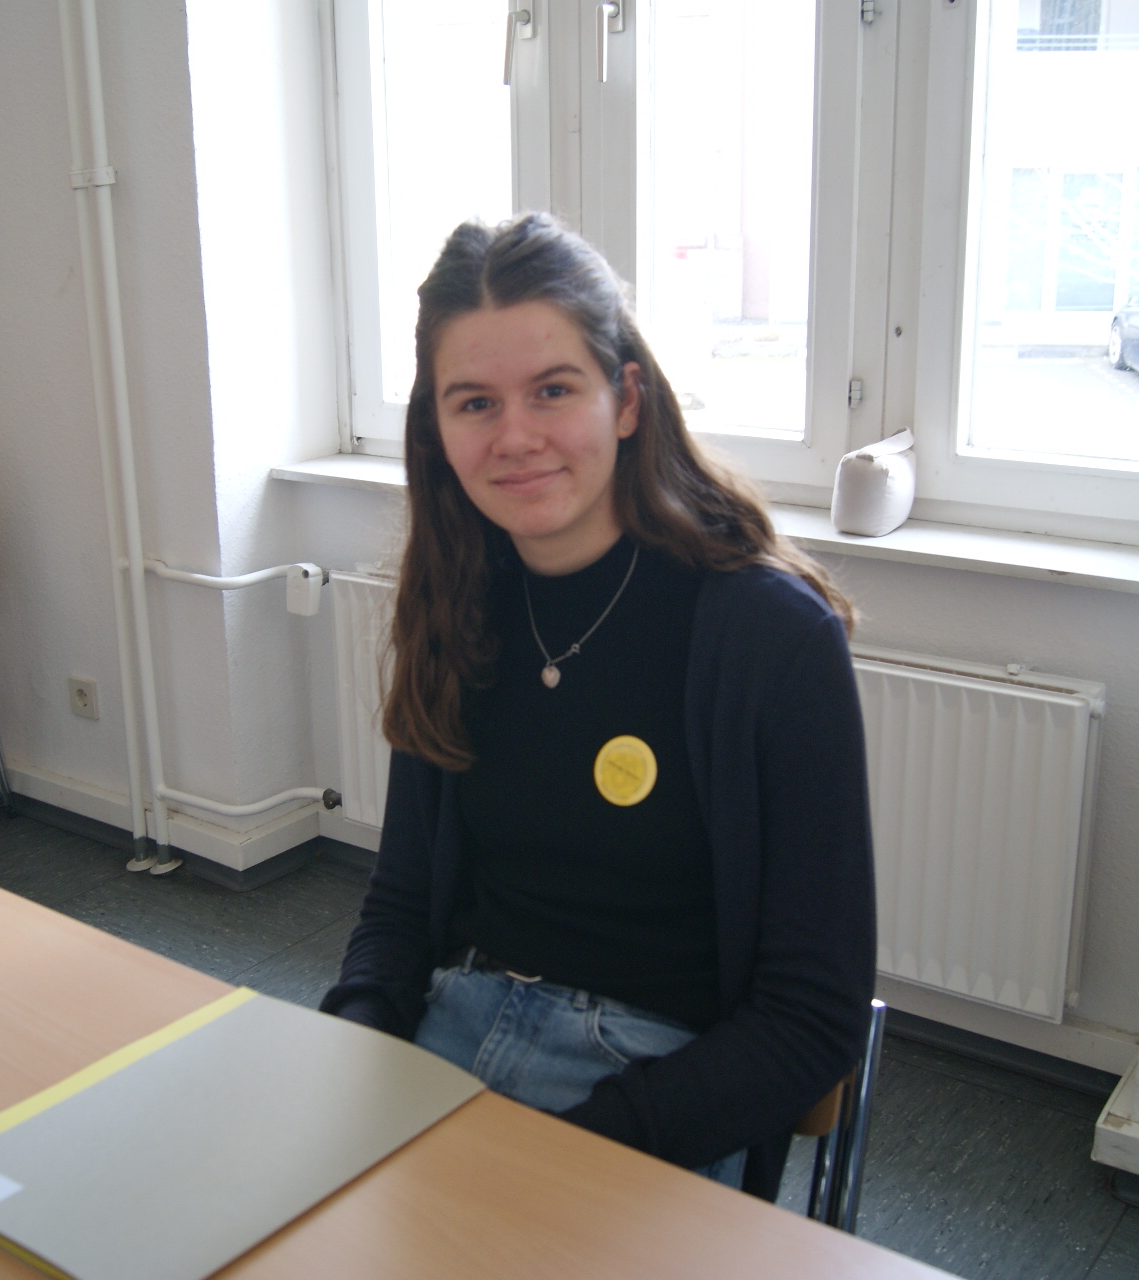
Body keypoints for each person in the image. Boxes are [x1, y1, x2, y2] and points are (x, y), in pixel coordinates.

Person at [320, 214, 876, 1200]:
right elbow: (400, 904)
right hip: (449, 1034)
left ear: (626, 400)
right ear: (437, 430)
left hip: (658, 1089)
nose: (515, 436)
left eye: (553, 389)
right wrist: (350, 1048)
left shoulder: (770, 637)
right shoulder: (456, 604)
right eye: (475, 403)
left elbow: (810, 1018)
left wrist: (574, 1151)